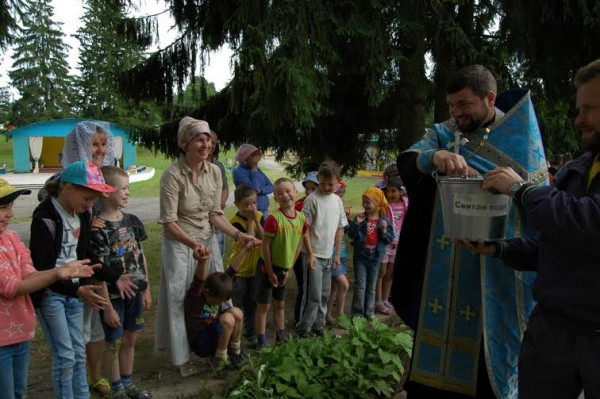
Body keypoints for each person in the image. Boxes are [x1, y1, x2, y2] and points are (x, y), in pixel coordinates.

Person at [391, 65, 549, 398]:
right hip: (442, 267)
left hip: (495, 273)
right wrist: (436, 156)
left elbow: (539, 211)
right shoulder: (444, 133)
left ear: (489, 98)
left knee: (483, 372)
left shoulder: (520, 138)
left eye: (464, 105)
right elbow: (408, 159)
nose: (456, 114)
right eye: (451, 106)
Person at [461, 58, 600, 399]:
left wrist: (522, 189)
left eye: (590, 109)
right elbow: (555, 245)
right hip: (552, 331)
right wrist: (499, 248)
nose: (579, 119)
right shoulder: (578, 169)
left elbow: (588, 222)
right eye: (579, 108)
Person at [155, 117, 254, 378]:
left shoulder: (215, 171)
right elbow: (168, 222)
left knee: (218, 291)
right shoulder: (172, 175)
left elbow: (215, 214)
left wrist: (238, 235)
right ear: (185, 143)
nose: (206, 144)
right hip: (179, 244)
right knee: (181, 300)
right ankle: (182, 358)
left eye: (208, 139)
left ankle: (220, 349)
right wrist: (193, 244)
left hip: (207, 240)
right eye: (199, 138)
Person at [38, 120, 118, 398]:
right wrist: (76, 289)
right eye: (87, 198)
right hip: (55, 292)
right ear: (69, 188)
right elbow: (45, 270)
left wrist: (116, 277)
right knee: (66, 356)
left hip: (75, 290)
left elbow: (86, 256)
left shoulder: (81, 213)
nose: (89, 205)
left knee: (78, 352)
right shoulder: (46, 217)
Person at [0, 178, 95, 399]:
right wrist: (58, 273)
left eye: (10, 207)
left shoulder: (12, 238)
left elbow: (30, 273)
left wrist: (66, 271)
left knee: (19, 393)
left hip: (21, 333)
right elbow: (11, 287)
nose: (10, 214)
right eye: (3, 208)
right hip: (2, 340)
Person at [88, 166, 152, 399]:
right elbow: (98, 270)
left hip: (136, 292)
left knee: (130, 338)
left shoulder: (133, 221)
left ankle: (128, 382)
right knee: (113, 342)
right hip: (113, 297)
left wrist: (146, 289)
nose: (127, 193)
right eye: (123, 188)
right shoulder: (97, 229)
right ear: (105, 192)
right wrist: (106, 307)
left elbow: (140, 254)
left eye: (128, 188)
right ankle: (116, 388)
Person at [256, 178, 313, 348]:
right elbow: (265, 247)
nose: (285, 195)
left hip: (283, 269)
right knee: (264, 306)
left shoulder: (301, 218)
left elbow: (298, 245)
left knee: (280, 304)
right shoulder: (274, 219)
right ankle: (261, 340)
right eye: (279, 193)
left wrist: (288, 269)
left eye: (288, 191)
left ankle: (281, 336)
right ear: (275, 198)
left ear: (296, 192)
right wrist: (270, 270)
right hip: (267, 268)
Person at [296, 160, 348, 338]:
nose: (326, 187)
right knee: (313, 295)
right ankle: (304, 328)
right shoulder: (312, 200)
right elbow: (304, 229)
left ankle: (319, 325)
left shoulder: (337, 201)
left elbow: (339, 228)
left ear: (338, 181)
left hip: (329, 254)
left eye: (330, 184)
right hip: (314, 255)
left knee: (325, 294)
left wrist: (337, 254)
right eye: (323, 183)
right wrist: (310, 254)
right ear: (318, 179)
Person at [184, 246, 245, 379]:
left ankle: (235, 352)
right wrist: (202, 261)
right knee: (227, 319)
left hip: (215, 334)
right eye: (217, 301)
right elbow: (199, 280)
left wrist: (246, 248)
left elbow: (233, 269)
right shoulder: (196, 296)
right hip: (201, 343)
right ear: (207, 292)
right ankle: (219, 361)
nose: (219, 304)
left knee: (237, 313)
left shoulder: (217, 286)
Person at [348, 187, 394, 318]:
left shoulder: (384, 221)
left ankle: (369, 312)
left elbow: (389, 239)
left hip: (375, 257)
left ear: (378, 203)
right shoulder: (361, 219)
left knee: (371, 286)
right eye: (364, 202)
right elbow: (351, 235)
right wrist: (356, 223)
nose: (364, 205)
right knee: (360, 286)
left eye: (368, 202)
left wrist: (384, 231)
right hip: (361, 256)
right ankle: (357, 314)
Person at [228, 184, 264, 347]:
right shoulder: (234, 222)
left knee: (252, 304)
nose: (252, 207)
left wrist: (256, 218)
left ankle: (250, 334)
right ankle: (233, 336)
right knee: (236, 305)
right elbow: (248, 241)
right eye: (247, 205)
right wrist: (250, 220)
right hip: (239, 271)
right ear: (237, 204)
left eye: (254, 203)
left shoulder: (260, 216)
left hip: (254, 270)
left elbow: (264, 238)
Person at [375, 175, 408, 315]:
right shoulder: (384, 206)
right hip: (385, 243)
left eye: (393, 191)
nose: (389, 194)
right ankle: (377, 301)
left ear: (401, 191)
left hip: (398, 244)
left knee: (390, 273)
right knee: (381, 272)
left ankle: (385, 299)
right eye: (387, 191)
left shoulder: (406, 205)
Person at [293, 171, 319, 323]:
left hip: (318, 252)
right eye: (307, 188)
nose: (309, 192)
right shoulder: (299, 205)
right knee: (303, 288)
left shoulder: (323, 202)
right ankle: (299, 320)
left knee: (315, 289)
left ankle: (312, 319)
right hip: (300, 252)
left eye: (312, 189)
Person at [326, 179, 350, 323]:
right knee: (344, 284)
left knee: (333, 287)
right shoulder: (331, 208)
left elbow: (343, 231)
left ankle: (328, 315)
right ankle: (340, 315)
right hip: (333, 253)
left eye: (342, 192)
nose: (341, 194)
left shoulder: (339, 207)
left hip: (341, 252)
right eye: (338, 192)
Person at [232, 143, 273, 217]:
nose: (257, 157)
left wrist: (261, 191)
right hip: (251, 212)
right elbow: (253, 191)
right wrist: (253, 169)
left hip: (264, 211)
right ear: (247, 157)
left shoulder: (257, 169)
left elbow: (271, 186)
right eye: (254, 155)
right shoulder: (238, 171)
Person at [209, 130, 230, 255]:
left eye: (214, 143)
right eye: (209, 141)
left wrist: (221, 202)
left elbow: (225, 188)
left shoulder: (218, 165)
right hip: (200, 222)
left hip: (216, 216)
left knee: (218, 255)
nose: (211, 145)